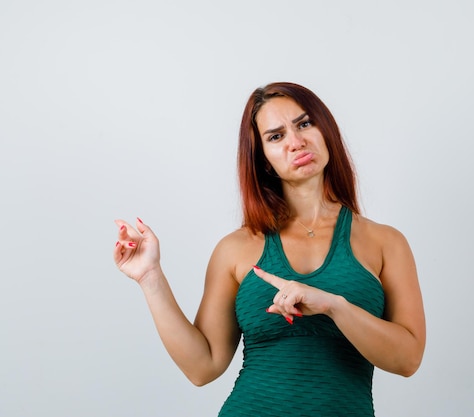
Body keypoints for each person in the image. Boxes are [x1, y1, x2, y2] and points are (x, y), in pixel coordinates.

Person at [113, 82, 426, 416]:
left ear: (325, 130)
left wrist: (335, 306)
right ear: (263, 159)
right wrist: (150, 277)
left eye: (304, 123)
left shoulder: (386, 243)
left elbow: (407, 360)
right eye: (276, 136)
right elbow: (202, 367)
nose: (296, 142)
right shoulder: (235, 249)